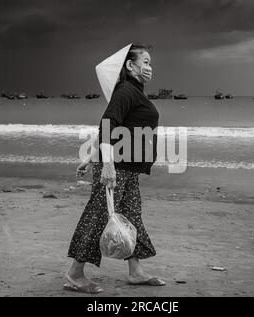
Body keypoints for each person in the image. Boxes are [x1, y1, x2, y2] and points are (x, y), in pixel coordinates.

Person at [64, 44, 165, 293]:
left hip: (127, 169)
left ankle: (136, 272)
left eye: (151, 63)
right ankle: (74, 274)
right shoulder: (126, 91)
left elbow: (119, 130)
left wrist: (90, 158)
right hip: (116, 168)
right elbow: (107, 125)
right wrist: (106, 164)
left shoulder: (134, 92)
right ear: (130, 66)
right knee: (99, 217)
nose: (149, 67)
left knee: (132, 217)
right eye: (145, 62)